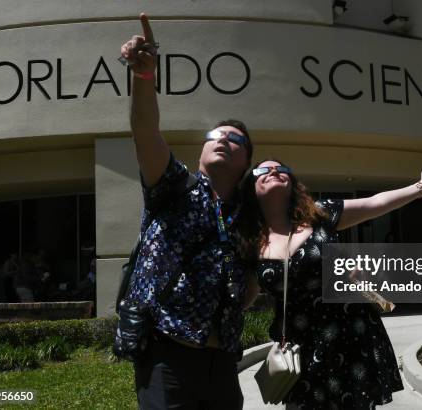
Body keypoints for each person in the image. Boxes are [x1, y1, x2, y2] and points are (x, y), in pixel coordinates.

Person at [117, 13, 258, 410]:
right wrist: (143, 78)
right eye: (216, 135)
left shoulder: (247, 215)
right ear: (201, 151)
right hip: (167, 354)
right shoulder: (173, 185)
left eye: (236, 140)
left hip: (223, 361)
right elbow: (146, 131)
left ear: (245, 163)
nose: (224, 140)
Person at [239, 159, 422, 409]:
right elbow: (246, 294)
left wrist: (421, 187)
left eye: (281, 169)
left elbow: (375, 203)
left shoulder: (320, 214)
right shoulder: (249, 242)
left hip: (349, 336)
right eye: (264, 170)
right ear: (251, 187)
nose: (274, 171)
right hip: (300, 349)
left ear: (292, 184)